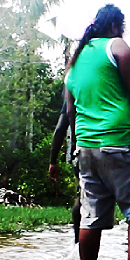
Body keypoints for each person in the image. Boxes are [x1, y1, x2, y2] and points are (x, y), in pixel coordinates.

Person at [63, 4, 130, 260]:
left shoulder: (75, 61)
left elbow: (71, 112)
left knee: (91, 213)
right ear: (115, 26)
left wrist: (79, 145)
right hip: (121, 141)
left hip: (87, 147)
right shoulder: (117, 46)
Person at [49, 99, 81, 243]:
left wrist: (53, 161)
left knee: (82, 199)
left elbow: (60, 128)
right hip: (115, 146)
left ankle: (77, 244)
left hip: (81, 151)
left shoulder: (76, 88)